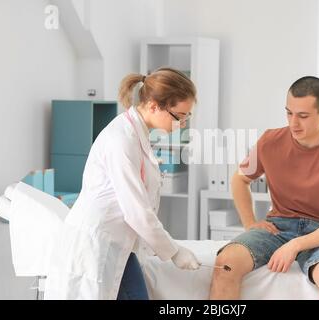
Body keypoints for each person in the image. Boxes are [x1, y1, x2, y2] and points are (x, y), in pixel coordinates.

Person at [44, 67, 201, 300]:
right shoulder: (122, 139)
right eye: (179, 116)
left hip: (118, 246)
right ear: (153, 106)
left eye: (188, 116)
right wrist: (174, 251)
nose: (184, 124)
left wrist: (164, 246)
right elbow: (137, 211)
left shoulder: (138, 134)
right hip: (95, 247)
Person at [210, 76, 319, 300]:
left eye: (302, 116)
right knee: (225, 266)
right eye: (289, 113)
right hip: (277, 228)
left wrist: (295, 245)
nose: (293, 123)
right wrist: (251, 224)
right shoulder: (270, 141)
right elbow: (239, 179)